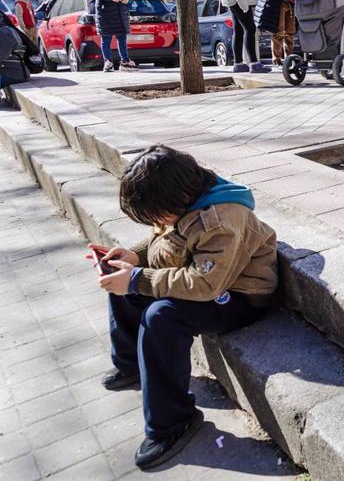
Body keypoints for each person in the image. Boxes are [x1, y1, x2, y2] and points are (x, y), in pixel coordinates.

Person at [93, 145, 276, 470]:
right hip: (206, 279)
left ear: (176, 199)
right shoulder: (186, 199)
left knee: (160, 316)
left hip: (238, 296)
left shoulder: (221, 220)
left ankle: (172, 424)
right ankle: (130, 362)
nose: (156, 223)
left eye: (156, 215)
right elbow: (165, 240)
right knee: (123, 284)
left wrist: (137, 278)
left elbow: (206, 285)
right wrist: (134, 258)